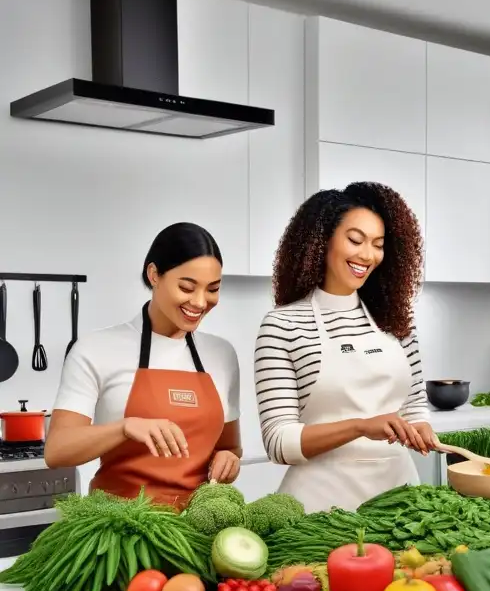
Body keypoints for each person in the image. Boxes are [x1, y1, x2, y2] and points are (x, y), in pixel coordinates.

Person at [255, 184, 437, 513]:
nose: (367, 255)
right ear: (322, 240)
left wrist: (420, 428)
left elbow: (414, 406)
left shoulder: (397, 324)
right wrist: (360, 426)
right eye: (355, 240)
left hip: (402, 505)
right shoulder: (283, 325)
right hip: (319, 510)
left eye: (378, 245)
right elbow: (278, 442)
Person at [44, 223, 242, 508]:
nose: (200, 302)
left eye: (212, 289)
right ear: (154, 275)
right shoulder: (96, 349)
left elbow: (229, 446)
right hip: (115, 533)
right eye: (186, 287)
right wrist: (125, 427)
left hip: (194, 534)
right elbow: (58, 450)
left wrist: (229, 459)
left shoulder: (221, 354)